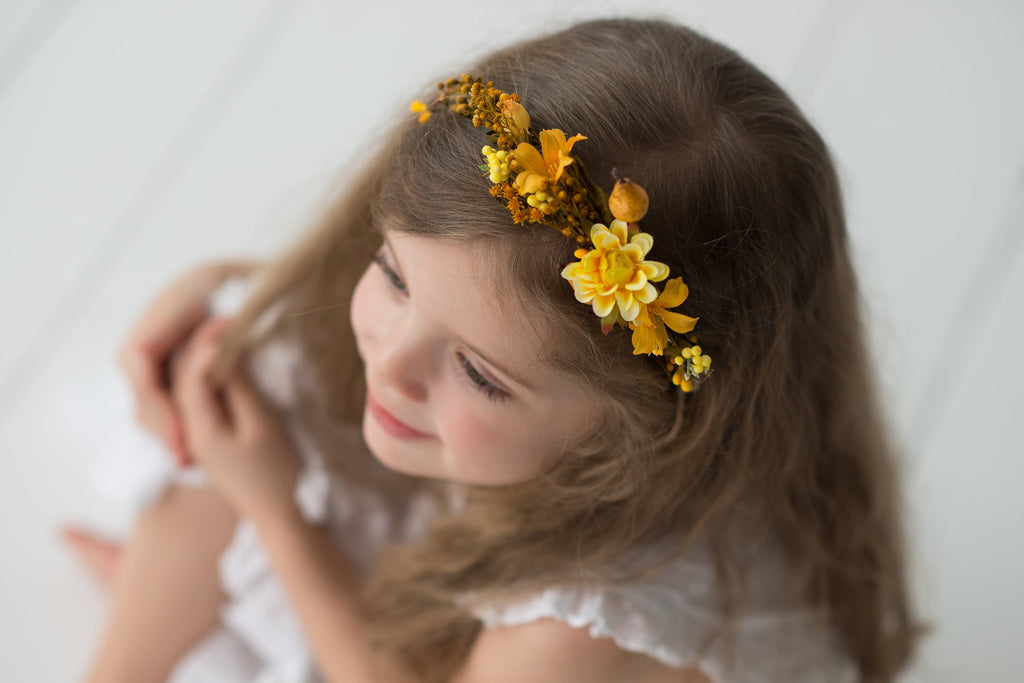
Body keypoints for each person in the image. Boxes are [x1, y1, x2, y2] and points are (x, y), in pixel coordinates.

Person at [60, 17, 924, 683]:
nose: (391, 364)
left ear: (639, 426)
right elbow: (461, 304)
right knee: (251, 358)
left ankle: (224, 595)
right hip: (492, 540)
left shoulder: (578, 625)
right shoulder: (543, 385)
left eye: (478, 371)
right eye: (393, 273)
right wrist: (226, 281)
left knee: (255, 447)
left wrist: (276, 514)